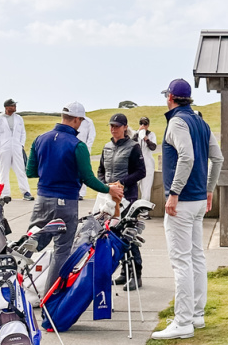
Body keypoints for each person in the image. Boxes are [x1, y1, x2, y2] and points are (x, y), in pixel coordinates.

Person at [152, 79, 223, 341]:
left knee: (181, 261)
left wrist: (174, 193)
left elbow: (187, 156)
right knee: (195, 257)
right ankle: (196, 314)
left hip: (182, 202)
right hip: (198, 200)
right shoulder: (201, 122)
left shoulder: (177, 122)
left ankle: (183, 322)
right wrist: (209, 189)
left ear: (170, 97)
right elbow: (217, 158)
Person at [26, 102, 124, 292]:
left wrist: (50, 171)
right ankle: (51, 298)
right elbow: (88, 178)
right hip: (66, 202)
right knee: (62, 250)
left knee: (30, 244)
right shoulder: (78, 145)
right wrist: (108, 189)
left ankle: (15, 289)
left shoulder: (40, 139)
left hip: (42, 199)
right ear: (77, 120)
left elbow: (31, 171)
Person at [98, 113, 146, 291]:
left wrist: (121, 183)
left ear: (125, 127)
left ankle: (136, 274)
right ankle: (125, 272)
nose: (113, 129)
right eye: (111, 125)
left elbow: (141, 172)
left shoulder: (133, 147)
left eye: (117, 126)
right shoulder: (107, 147)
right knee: (115, 236)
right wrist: (105, 186)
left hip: (127, 198)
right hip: (110, 198)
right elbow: (101, 170)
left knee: (128, 236)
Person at [0, 98, 34, 201]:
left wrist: (21, 145)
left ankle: (26, 192)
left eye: (15, 105)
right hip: (4, 148)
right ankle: (5, 194)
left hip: (16, 148)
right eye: (12, 105)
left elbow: (23, 133)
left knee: (21, 170)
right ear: (7, 107)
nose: (15, 107)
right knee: (4, 172)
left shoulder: (19, 118)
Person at [133, 116, 157, 206]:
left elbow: (153, 147)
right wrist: (137, 133)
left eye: (145, 124)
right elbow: (130, 145)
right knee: (133, 187)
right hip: (136, 164)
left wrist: (146, 139)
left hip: (148, 164)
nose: (143, 125)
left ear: (148, 125)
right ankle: (131, 209)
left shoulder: (151, 135)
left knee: (146, 189)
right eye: (141, 123)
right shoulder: (135, 134)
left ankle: (144, 210)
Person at [77, 114, 97, 200]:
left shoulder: (88, 121)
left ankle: (81, 193)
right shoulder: (72, 120)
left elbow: (91, 136)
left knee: (83, 170)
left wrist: (87, 149)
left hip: (84, 149)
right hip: (73, 149)